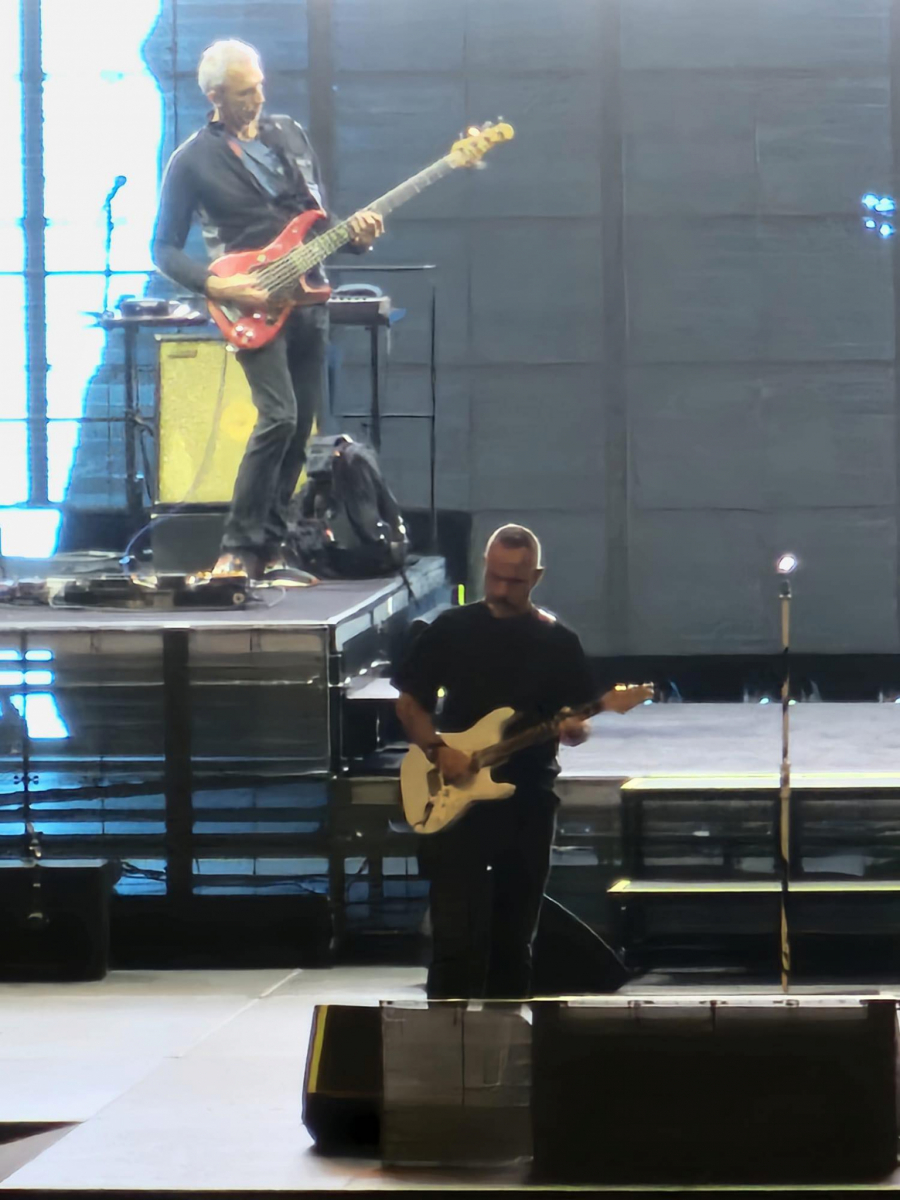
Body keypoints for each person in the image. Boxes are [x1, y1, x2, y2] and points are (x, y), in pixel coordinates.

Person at [152, 39, 384, 578]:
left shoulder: (289, 136)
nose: (257, 99)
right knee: (278, 417)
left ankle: (272, 549)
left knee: (300, 428)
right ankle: (236, 546)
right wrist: (221, 288)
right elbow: (162, 249)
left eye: (259, 87)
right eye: (243, 93)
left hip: (308, 299)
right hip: (251, 305)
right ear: (214, 96)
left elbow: (316, 220)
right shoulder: (192, 161)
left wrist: (357, 239)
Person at [393, 524, 649, 1000]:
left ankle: (510, 1036)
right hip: (456, 800)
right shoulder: (451, 629)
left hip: (529, 799)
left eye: (514, 580)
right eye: (494, 576)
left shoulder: (558, 642)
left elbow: (575, 720)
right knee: (453, 941)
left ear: (537, 576)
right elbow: (410, 704)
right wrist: (437, 749)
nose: (501, 589)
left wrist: (577, 729)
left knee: (514, 943)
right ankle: (444, 1037)